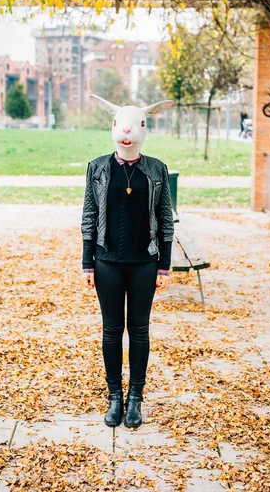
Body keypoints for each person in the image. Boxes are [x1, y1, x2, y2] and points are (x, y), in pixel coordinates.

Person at [81, 94, 175, 429]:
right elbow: (89, 216)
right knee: (110, 331)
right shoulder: (97, 168)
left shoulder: (156, 170)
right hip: (107, 262)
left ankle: (135, 397)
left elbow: (166, 220)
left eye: (135, 127)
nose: (127, 134)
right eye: (121, 126)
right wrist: (87, 263)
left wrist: (164, 265)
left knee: (138, 329)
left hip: (144, 265)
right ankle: (114, 397)